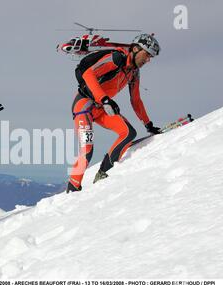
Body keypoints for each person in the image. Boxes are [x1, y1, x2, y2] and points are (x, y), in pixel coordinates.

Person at [67, 34, 161, 193]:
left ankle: (103, 173)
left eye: (150, 57)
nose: (148, 60)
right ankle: (73, 187)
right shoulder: (117, 58)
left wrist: (148, 124)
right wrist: (104, 99)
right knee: (87, 150)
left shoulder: (134, 72)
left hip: (103, 108)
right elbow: (88, 75)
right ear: (136, 49)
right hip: (85, 105)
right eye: (147, 55)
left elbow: (136, 100)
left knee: (128, 133)